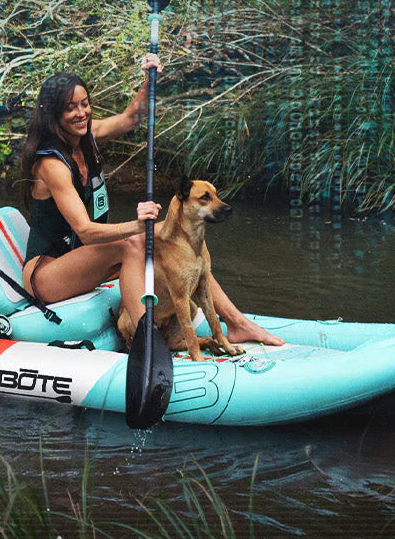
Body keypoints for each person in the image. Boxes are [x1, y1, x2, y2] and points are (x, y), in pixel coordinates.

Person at [16, 54, 283, 347]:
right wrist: (137, 225)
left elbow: (131, 118)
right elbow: (86, 231)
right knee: (134, 240)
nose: (82, 113)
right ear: (53, 115)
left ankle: (236, 323)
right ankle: (147, 337)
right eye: (70, 108)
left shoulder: (86, 135)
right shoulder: (51, 164)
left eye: (85, 104)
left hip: (78, 260)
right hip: (46, 276)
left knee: (172, 235)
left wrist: (149, 78)